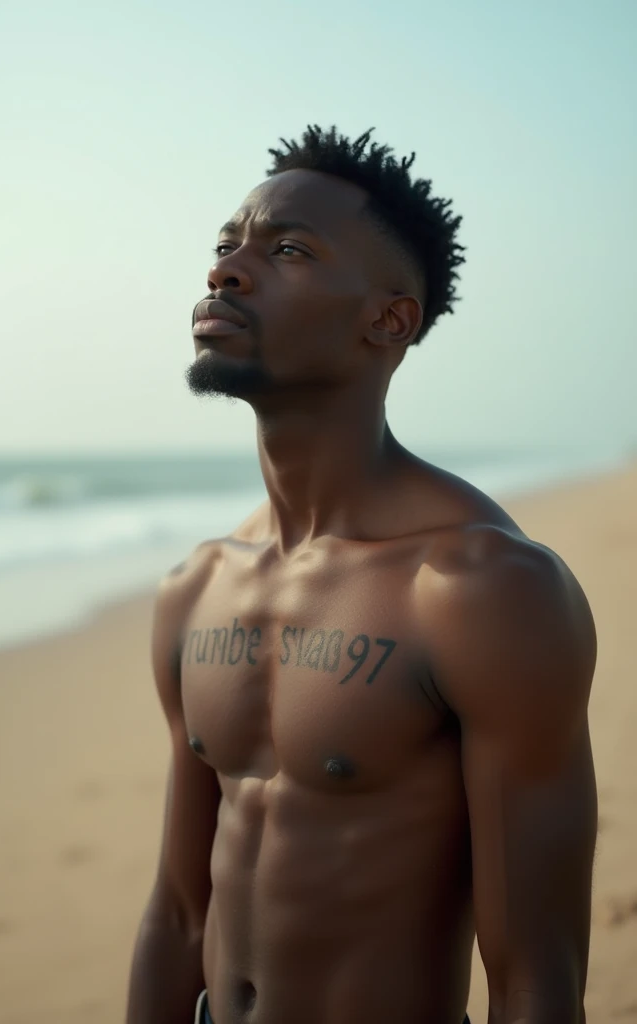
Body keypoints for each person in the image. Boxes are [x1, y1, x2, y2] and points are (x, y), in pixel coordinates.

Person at [125, 125, 597, 1024]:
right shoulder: (195, 589)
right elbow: (179, 917)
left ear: (389, 319)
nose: (227, 269)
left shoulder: (480, 589)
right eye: (226, 247)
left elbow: (536, 974)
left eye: (288, 249)